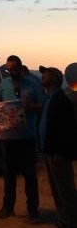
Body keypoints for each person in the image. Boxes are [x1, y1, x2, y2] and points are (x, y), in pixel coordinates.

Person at [0, 54, 44, 221]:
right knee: (8, 174)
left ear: (20, 67)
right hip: (7, 137)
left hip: (27, 137)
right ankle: (8, 207)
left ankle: (33, 209)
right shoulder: (4, 83)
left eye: (13, 69)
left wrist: (30, 106)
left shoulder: (33, 84)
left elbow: (41, 105)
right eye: (8, 69)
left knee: (29, 174)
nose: (10, 72)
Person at [39, 65, 77, 228]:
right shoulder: (50, 98)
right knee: (58, 189)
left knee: (65, 189)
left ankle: (71, 221)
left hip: (58, 152)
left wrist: (59, 152)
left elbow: (65, 128)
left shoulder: (60, 99)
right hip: (50, 150)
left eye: (46, 74)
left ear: (55, 78)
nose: (43, 76)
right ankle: (64, 220)